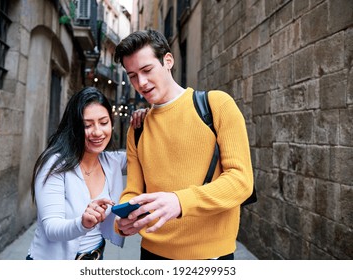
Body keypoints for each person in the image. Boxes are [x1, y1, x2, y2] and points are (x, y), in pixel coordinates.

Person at [113, 29, 254, 260]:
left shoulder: (217, 105)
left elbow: (241, 181)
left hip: (210, 256)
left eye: (147, 70)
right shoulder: (137, 128)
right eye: (133, 75)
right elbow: (134, 191)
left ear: (168, 60)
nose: (141, 82)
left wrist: (180, 201)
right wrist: (125, 219)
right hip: (151, 254)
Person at [26, 87, 146, 260]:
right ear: (74, 127)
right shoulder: (54, 164)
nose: (97, 132)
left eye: (104, 123)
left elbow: (145, 153)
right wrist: (82, 223)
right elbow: (51, 228)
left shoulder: (112, 161)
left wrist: (146, 119)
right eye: (87, 125)